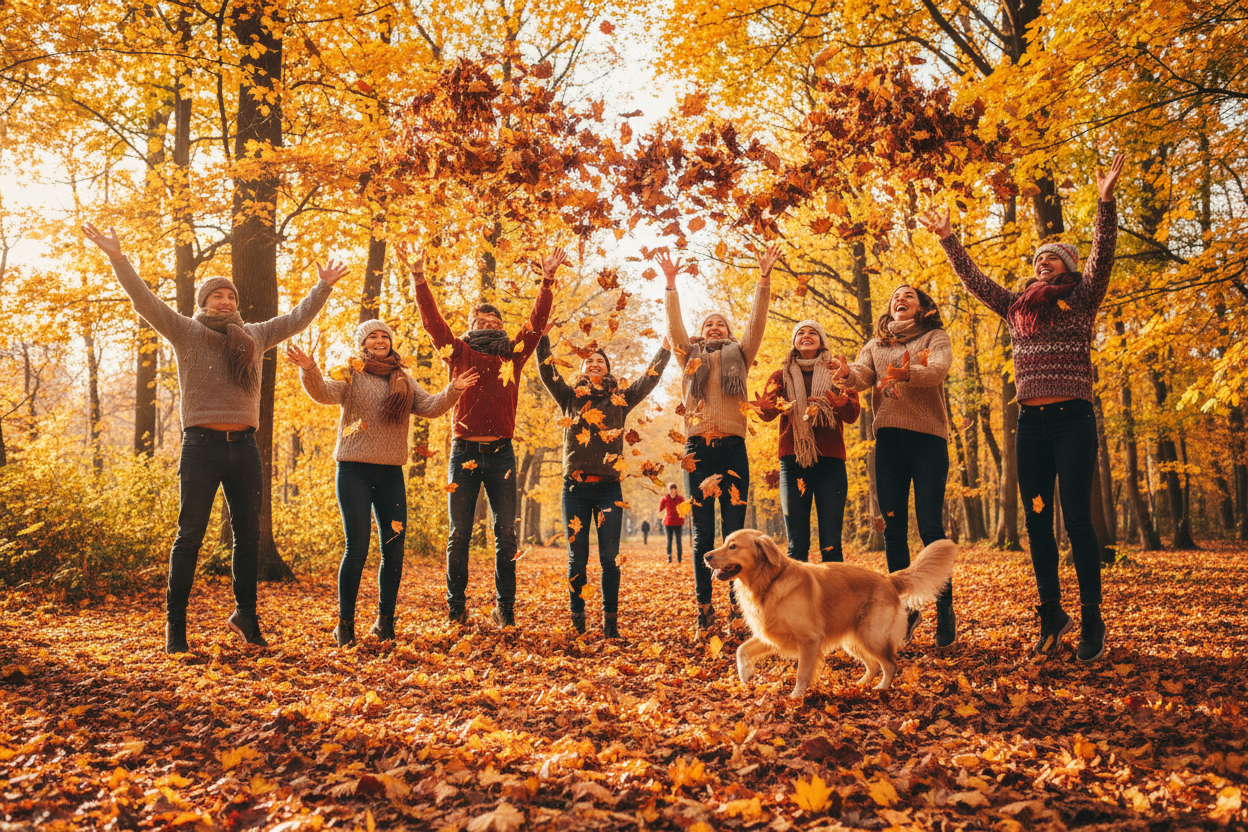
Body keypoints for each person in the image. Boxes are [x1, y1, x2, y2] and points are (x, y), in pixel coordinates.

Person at [81, 222, 344, 654]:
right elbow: (144, 301)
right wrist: (118, 258)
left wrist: (323, 287)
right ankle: (175, 628)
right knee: (189, 536)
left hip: (245, 449)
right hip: (201, 448)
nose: (225, 301)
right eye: (217, 295)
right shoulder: (186, 331)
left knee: (249, 537)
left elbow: (296, 319)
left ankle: (246, 617)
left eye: (231, 296)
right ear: (203, 302)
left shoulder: (255, 336)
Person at [918, 154, 1125, 662]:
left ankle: (1092, 618)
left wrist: (1105, 202)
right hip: (1031, 425)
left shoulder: (1081, 299)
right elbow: (976, 281)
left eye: (1051, 258)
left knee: (1077, 519)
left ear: (1068, 266)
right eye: (1037, 259)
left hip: (1073, 421)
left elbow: (1102, 256)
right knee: (1035, 521)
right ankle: (1052, 613)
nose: (1041, 263)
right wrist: (948, 239)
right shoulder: (1017, 309)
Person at [286, 322, 479, 646]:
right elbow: (324, 393)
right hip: (354, 471)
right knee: (357, 548)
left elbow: (430, 407)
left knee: (394, 550)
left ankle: (385, 623)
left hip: (390, 473)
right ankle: (345, 625)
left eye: (384, 337)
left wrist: (454, 389)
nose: (379, 341)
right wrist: (309, 369)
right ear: (362, 344)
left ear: (390, 343)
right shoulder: (352, 372)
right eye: (372, 337)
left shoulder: (403, 377)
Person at [403, 246, 565, 628]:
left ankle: (504, 609)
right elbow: (432, 323)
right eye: (481, 319)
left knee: (506, 534)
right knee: (459, 534)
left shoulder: (514, 354)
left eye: (495, 320)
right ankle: (456, 609)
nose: (489, 323)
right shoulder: (456, 351)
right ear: (472, 324)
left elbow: (535, 324)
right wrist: (419, 279)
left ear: (501, 326)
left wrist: (547, 281)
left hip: (501, 455)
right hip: (463, 453)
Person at [659, 244, 778, 630]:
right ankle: (704, 607)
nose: (715, 328)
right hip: (697, 451)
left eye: (721, 325)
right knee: (703, 535)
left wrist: (763, 280)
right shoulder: (689, 357)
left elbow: (756, 325)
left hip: (732, 450)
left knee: (734, 536)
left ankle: (737, 607)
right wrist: (671, 285)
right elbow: (675, 329)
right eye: (709, 324)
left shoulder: (740, 355)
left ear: (728, 332)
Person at [832, 284, 955, 647]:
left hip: (929, 440)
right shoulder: (876, 345)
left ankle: (944, 608)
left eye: (909, 296)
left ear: (921, 306)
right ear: (890, 308)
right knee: (893, 528)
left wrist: (906, 373)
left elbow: (937, 370)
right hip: (888, 442)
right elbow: (862, 374)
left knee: (930, 526)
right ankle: (904, 611)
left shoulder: (934, 337)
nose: (901, 300)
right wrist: (845, 374)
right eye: (896, 297)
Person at [536, 332, 670, 637]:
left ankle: (611, 624)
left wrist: (664, 349)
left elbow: (648, 380)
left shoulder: (620, 399)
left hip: (609, 489)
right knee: (577, 558)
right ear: (582, 369)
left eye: (600, 360)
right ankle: (578, 621)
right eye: (589, 361)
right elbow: (546, 370)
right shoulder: (569, 396)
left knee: (610, 558)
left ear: (608, 369)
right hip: (575, 490)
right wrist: (542, 336)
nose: (594, 363)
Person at [758, 320, 860, 562]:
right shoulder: (780, 375)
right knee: (796, 545)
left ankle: (833, 587)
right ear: (795, 341)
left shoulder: (837, 371)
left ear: (821, 340)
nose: (806, 335)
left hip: (831, 462)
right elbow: (767, 414)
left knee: (831, 544)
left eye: (813, 332)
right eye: (801, 333)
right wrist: (765, 406)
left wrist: (842, 403)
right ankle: (797, 588)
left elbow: (853, 414)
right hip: (793, 461)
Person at [658, 483, 685, 564]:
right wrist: (661, 500)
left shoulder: (680, 499)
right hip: (668, 523)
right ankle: (669, 558)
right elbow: (660, 509)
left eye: (674, 489)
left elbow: (684, 509)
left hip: (678, 522)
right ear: (668, 490)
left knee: (678, 541)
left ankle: (679, 559)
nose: (672, 491)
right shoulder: (665, 498)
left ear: (676, 490)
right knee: (669, 541)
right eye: (671, 489)